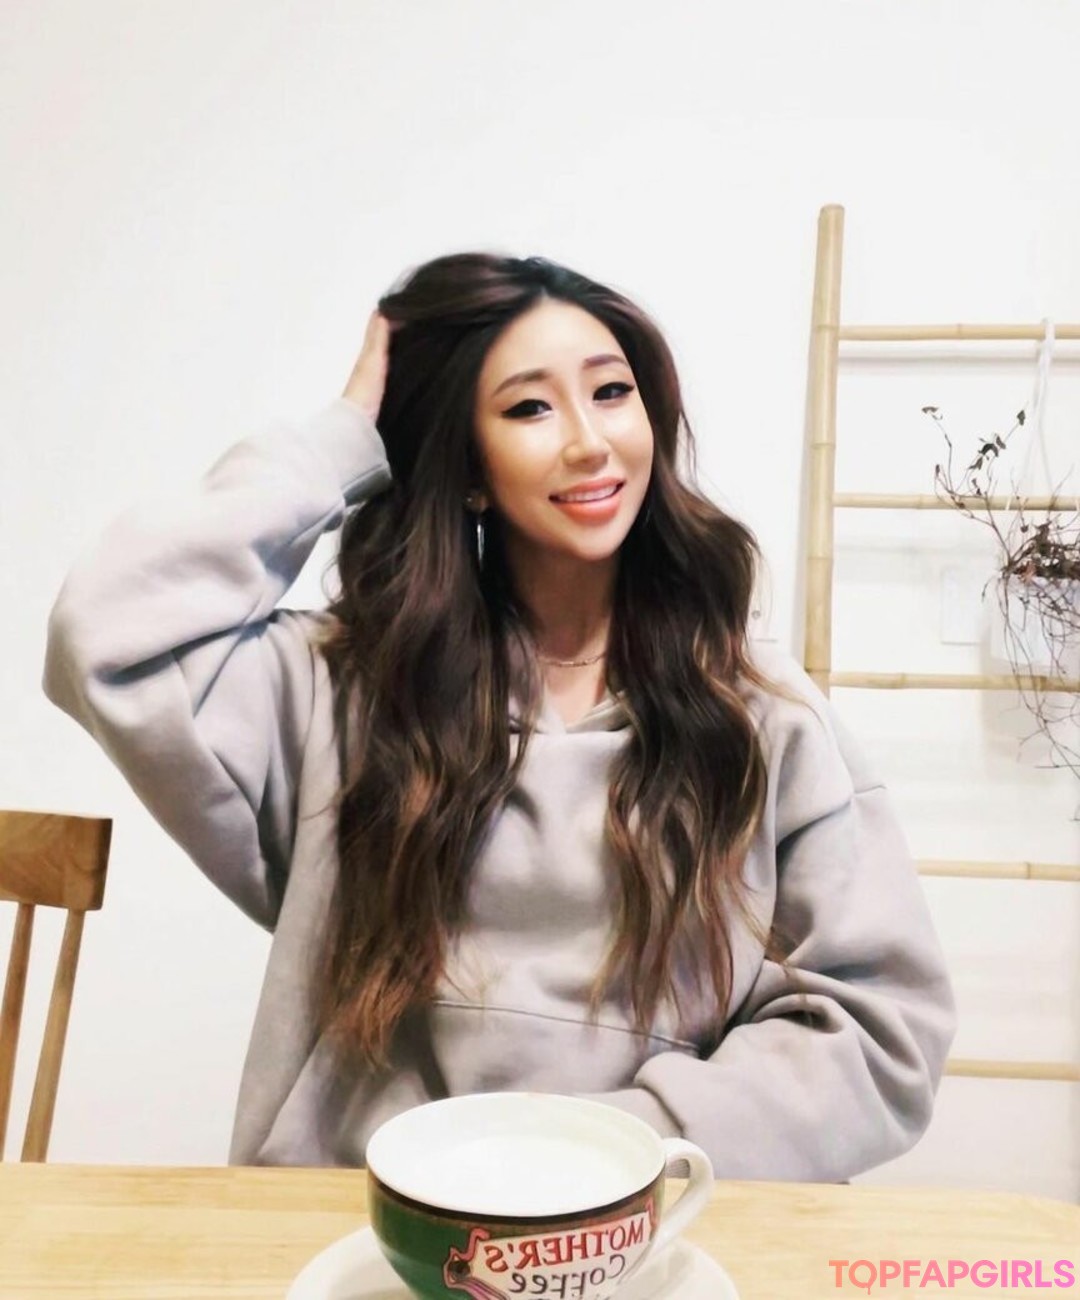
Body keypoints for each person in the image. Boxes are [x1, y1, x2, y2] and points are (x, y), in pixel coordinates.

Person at [43, 253, 955, 1178]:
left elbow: (876, 1036)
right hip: (368, 1219)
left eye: (611, 392)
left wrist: (607, 1153)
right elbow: (106, 630)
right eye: (529, 408)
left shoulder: (756, 714)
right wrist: (340, 441)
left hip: (640, 1221)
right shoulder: (349, 694)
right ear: (467, 467)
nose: (589, 442)